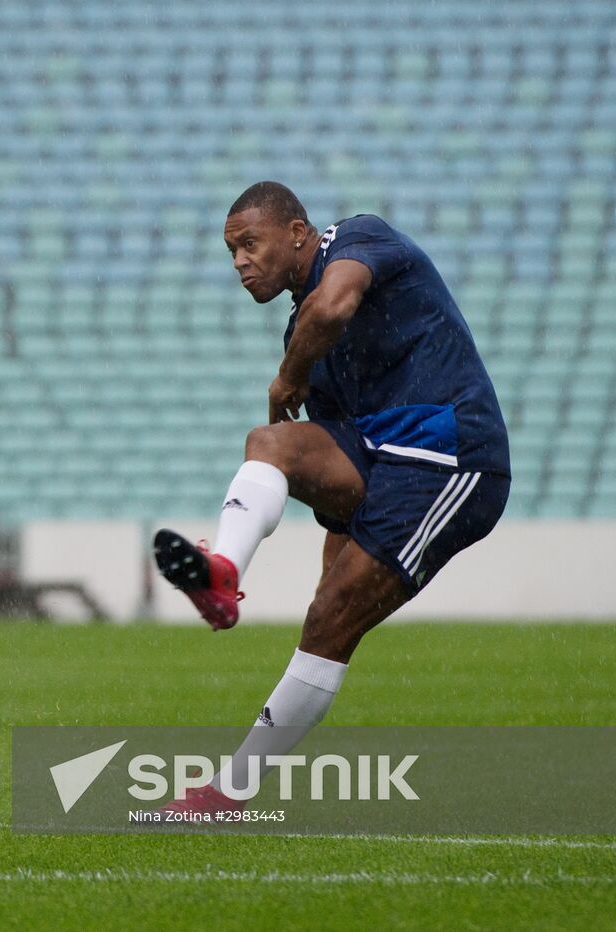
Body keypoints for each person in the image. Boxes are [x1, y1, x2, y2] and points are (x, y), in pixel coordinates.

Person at [154, 181, 511, 814]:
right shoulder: (304, 338)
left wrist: (287, 375)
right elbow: (341, 485)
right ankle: (222, 574)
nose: (239, 262)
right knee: (270, 441)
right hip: (385, 462)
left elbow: (334, 305)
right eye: (231, 251)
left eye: (249, 244)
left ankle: (228, 795)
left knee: (330, 623)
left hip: (453, 462)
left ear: (298, 233)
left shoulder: (355, 238)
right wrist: (331, 585)